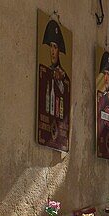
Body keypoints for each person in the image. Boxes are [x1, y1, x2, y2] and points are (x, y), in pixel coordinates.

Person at [36, 19, 70, 149]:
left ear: (59, 50)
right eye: (50, 46)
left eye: (55, 47)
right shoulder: (46, 71)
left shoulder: (63, 75)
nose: (52, 51)